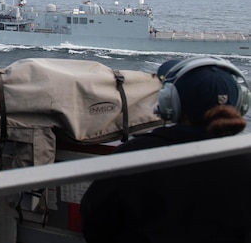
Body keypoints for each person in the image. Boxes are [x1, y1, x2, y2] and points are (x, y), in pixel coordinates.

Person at [80, 56, 251, 243]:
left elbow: (95, 223)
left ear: (171, 103)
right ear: (240, 103)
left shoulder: (135, 157)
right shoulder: (244, 159)